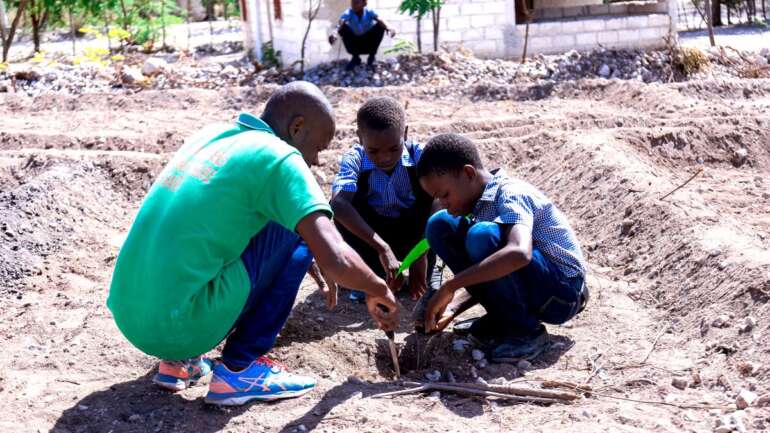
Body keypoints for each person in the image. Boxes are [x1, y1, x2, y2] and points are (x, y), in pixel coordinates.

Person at [107, 81, 399, 407]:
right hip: (182, 324)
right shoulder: (280, 157)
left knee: (238, 229)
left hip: (132, 314)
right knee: (300, 224)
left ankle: (179, 362)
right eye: (317, 148)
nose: (316, 162)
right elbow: (336, 258)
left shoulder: (213, 136)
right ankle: (240, 368)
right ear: (297, 127)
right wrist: (377, 288)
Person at [415, 133, 589, 362]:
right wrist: (453, 308)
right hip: (537, 286)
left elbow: (519, 254)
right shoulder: (478, 203)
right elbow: (491, 271)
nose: (444, 204)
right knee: (440, 224)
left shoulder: (510, 193)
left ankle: (526, 332)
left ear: (468, 173)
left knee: (481, 236)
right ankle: (503, 318)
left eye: (445, 195)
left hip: (562, 295)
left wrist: (450, 286)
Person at [331, 96, 436, 304]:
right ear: (360, 138)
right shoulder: (355, 158)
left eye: (394, 149)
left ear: (404, 134)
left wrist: (421, 252)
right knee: (343, 210)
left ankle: (413, 269)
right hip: (372, 241)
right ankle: (371, 275)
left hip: (414, 239)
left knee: (436, 203)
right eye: (373, 151)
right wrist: (382, 248)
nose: (385, 158)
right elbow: (339, 204)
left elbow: (441, 201)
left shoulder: (419, 155)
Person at [328, 0, 396, 70]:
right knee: (343, 28)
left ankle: (371, 57)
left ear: (364, 3)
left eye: (357, 2)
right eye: (352, 2)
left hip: (368, 41)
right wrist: (334, 33)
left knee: (380, 26)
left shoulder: (369, 11)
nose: (353, 5)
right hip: (355, 42)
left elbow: (380, 19)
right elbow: (340, 23)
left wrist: (389, 28)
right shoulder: (348, 12)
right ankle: (355, 58)